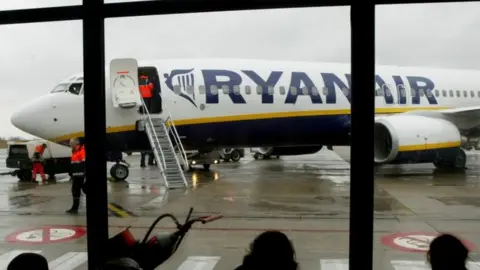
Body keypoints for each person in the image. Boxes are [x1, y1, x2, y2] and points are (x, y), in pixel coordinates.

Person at [66, 137, 86, 214]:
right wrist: (71, 173)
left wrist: (85, 176)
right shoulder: (75, 151)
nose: (70, 144)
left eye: (71, 143)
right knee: (75, 191)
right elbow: (75, 163)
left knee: (83, 190)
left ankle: (75, 208)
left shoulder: (82, 151)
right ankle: (74, 208)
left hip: (81, 176)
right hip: (76, 176)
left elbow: (85, 164)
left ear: (75, 143)